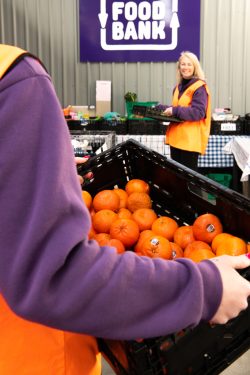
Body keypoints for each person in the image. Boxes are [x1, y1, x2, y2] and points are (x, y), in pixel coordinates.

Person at [0, 43, 250, 374]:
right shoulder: (14, 76)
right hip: (34, 358)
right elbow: (56, 273)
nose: (185, 69)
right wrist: (205, 288)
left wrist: (46, 172)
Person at [163, 51, 211, 171]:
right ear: (179, 67)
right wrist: (162, 110)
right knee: (177, 177)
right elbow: (178, 109)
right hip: (176, 139)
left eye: (189, 64)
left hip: (189, 141)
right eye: (183, 64)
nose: (185, 67)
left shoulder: (199, 87)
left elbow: (198, 112)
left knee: (188, 180)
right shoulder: (177, 87)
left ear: (195, 67)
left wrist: (174, 110)